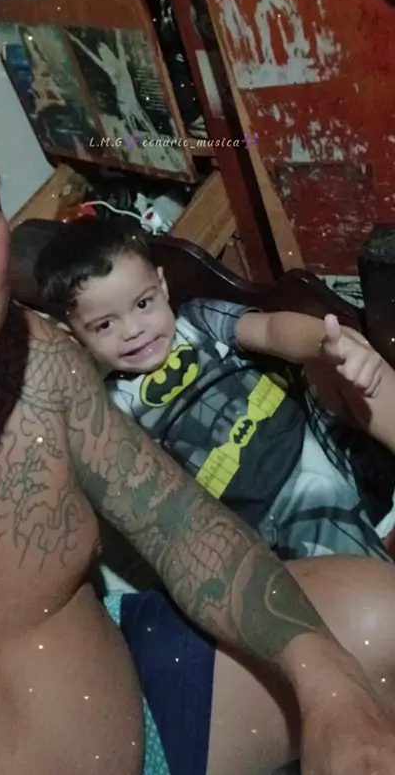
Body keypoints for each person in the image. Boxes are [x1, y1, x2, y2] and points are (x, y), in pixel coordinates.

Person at [0, 63, 395, 775]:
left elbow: (180, 526)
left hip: (142, 696)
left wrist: (329, 685)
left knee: (378, 618)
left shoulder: (35, 359)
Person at [36, 218, 394, 562]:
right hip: (272, 510)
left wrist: (322, 342)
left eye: (143, 304)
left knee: (344, 361)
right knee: (334, 543)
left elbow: (270, 329)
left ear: (162, 286)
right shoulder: (112, 407)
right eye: (104, 325)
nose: (133, 330)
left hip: (317, 439)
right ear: (73, 338)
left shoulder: (197, 321)